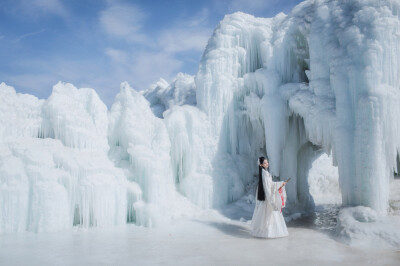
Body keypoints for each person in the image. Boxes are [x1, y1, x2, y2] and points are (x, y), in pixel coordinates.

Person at [250, 156, 288, 238]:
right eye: (265, 163)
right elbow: (268, 188)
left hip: (266, 197)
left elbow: (270, 185)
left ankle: (262, 231)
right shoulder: (265, 174)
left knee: (265, 215)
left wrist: (280, 184)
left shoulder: (263, 173)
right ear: (261, 165)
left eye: (267, 162)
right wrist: (280, 184)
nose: (267, 164)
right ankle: (268, 233)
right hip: (268, 197)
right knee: (269, 215)